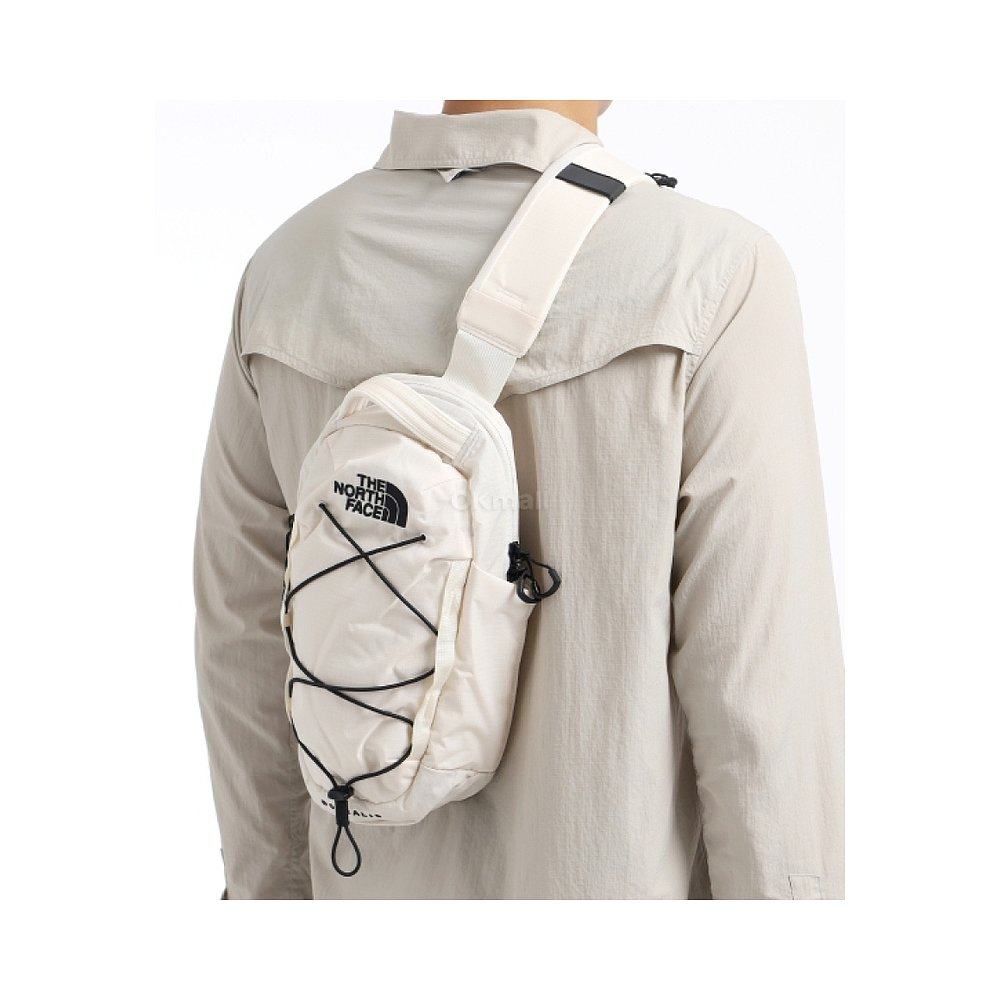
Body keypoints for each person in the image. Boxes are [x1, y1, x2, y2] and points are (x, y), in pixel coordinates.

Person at [194, 100, 844, 899]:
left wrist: (268, 901)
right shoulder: (712, 273)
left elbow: (240, 634)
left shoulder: (285, 270)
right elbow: (763, 683)